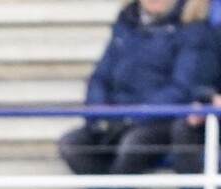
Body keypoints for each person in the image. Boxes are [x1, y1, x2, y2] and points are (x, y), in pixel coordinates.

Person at [57, 0, 218, 176]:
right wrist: (100, 112)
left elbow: (182, 88)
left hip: (160, 120)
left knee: (134, 145)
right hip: (117, 117)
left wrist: (133, 117)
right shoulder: (126, 24)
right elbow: (100, 78)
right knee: (71, 144)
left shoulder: (194, 31)